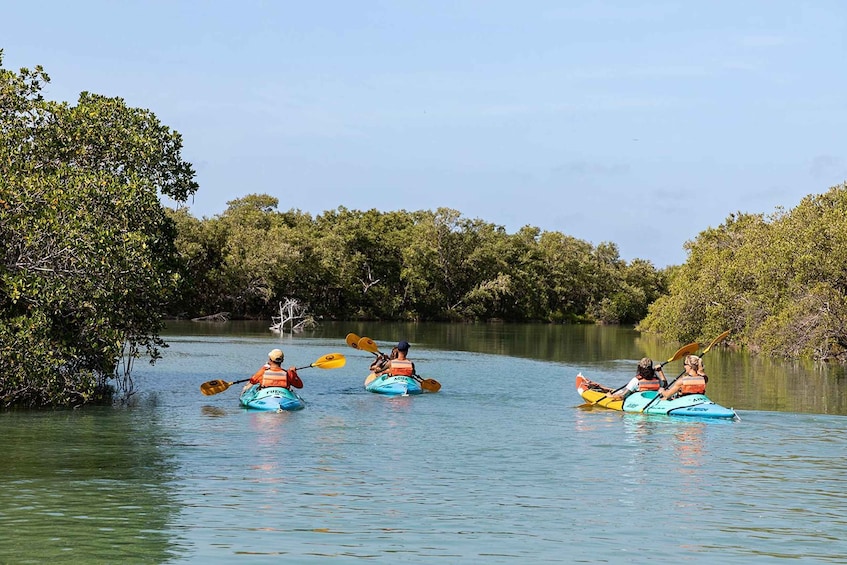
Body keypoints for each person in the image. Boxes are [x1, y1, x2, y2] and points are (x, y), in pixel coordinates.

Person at [601, 357, 666, 400]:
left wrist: (610, 396)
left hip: (638, 401)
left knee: (619, 392)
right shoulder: (657, 379)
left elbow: (623, 396)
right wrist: (660, 371)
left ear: (639, 368)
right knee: (617, 391)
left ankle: (607, 391)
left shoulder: (636, 380)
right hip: (653, 399)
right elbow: (665, 385)